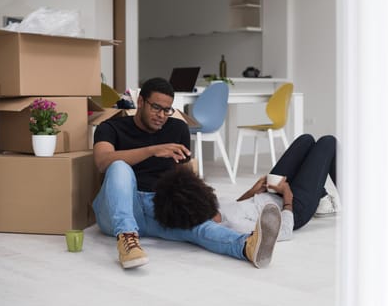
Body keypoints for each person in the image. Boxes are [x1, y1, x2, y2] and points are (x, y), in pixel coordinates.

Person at [91, 77, 281, 269]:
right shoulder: (111, 127)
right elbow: (102, 161)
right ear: (140, 102)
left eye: (167, 110)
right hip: (118, 208)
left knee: (198, 227)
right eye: (156, 107)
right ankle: (127, 239)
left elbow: (184, 179)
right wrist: (152, 150)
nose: (162, 115)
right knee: (119, 167)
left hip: (157, 206)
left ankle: (247, 246)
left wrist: (203, 207)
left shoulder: (178, 129)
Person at [153, 134, 338, 241]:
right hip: (293, 208)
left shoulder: (213, 209)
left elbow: (237, 205)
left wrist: (253, 191)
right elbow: (282, 232)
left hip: (270, 193)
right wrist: (288, 198)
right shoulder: (236, 226)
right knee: (328, 142)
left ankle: (320, 197)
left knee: (306, 140)